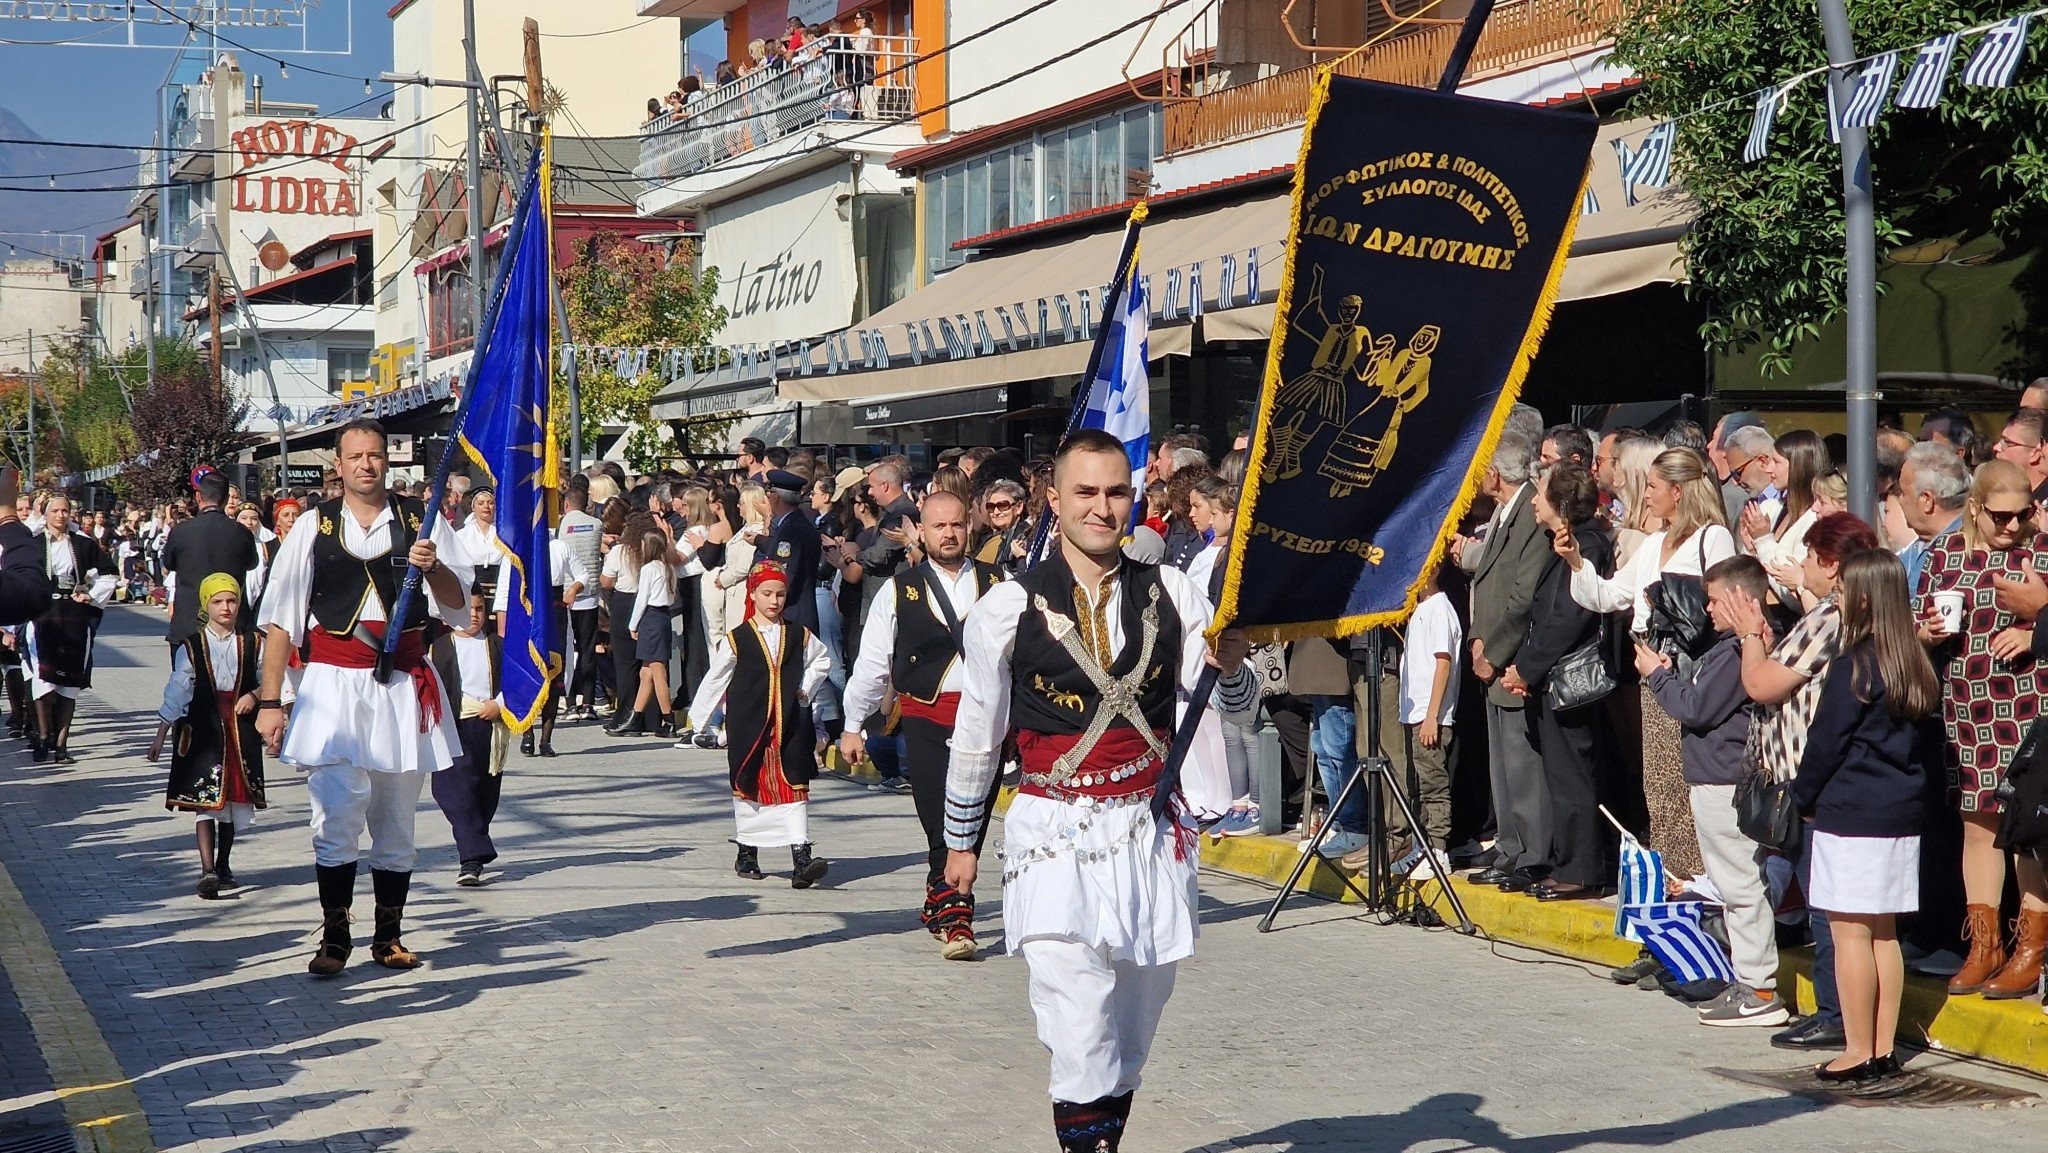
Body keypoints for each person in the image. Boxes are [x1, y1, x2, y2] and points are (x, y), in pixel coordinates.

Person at [942, 429, 1256, 1153]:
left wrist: (1231, 662)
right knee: (1076, 1013)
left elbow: (1232, 706)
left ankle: (1101, 1136)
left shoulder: (1174, 591)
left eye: (1116, 491)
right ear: (1054, 498)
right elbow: (978, 737)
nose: (1102, 506)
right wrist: (960, 844)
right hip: (1051, 833)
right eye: (1085, 491)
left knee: (1132, 1023)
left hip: (1146, 833)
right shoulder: (1004, 610)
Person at [253, 419, 472, 978]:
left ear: (387, 463)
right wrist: (271, 700)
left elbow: (459, 607)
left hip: (401, 686)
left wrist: (435, 566)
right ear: (339, 463)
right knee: (335, 810)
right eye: (356, 457)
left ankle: (389, 936)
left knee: (397, 815)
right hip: (332, 686)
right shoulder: (311, 526)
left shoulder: (421, 521)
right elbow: (282, 620)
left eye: (375, 456)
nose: (366, 465)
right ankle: (334, 935)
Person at [1722, 511, 1881, 1051]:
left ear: (1831, 565)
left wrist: (1749, 636)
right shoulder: (1852, 616)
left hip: (1804, 777)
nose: (1803, 565)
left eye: (1810, 555)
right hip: (1826, 778)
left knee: (1824, 906)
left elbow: (1762, 684)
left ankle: (1836, 1014)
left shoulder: (1829, 621)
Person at [1561, 448, 1738, 883]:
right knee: (1659, 788)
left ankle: (1699, 891)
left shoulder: (1712, 538)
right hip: (1650, 676)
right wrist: (1574, 562)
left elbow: (1721, 609)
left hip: (1691, 675)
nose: (1647, 498)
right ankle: (1672, 890)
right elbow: (1609, 596)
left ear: (1678, 492)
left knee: (1688, 789)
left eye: (1655, 488)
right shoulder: (1655, 543)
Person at [839, 491, 1002, 959]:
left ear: (968, 528)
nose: (948, 534)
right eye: (938, 527)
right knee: (939, 821)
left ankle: (940, 896)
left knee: (975, 819)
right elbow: (872, 663)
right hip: (927, 717)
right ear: (922, 532)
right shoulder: (899, 589)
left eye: (956, 525)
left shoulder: (1000, 582)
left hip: (985, 721)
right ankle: (957, 916)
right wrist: (853, 724)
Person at [1795, 548, 1937, 1082]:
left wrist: (1803, 797)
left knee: (1849, 932)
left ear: (1861, 596)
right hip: (1900, 811)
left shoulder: (1855, 663)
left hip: (1852, 810)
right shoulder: (1912, 661)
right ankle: (1881, 1046)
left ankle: (1857, 1049)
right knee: (1884, 934)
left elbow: (1825, 743)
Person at [1917, 459, 2048, 999]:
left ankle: (2031, 948)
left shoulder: (2041, 551)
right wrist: (1925, 630)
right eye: (2001, 516)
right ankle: (1984, 944)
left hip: (2028, 704)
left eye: (2023, 514)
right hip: (1967, 705)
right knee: (1980, 827)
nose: (2013, 526)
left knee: (2028, 830)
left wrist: (2034, 626)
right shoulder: (1946, 553)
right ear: (1975, 507)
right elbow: (1917, 617)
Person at [1649, 556, 1784, 1027]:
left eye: (1712, 599)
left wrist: (1655, 674)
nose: (1705, 609)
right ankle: (1750, 979)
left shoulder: (1740, 651)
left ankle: (1760, 988)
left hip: (1725, 780)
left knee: (1741, 887)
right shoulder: (1729, 648)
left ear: (1738, 598)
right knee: (1734, 885)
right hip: (1712, 778)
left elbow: (1697, 708)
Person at [1502, 463, 1616, 900]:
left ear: (1562, 506)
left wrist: (1525, 667)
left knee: (1574, 777)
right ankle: (1570, 862)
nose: (1534, 500)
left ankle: (1582, 871)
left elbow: (1566, 618)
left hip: (1570, 680)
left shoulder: (1586, 547)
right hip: (1551, 678)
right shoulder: (1563, 546)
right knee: (1561, 774)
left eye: (1541, 493)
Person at [689, 562, 833, 888]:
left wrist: (805, 689)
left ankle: (801, 856)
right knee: (749, 782)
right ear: (753, 593)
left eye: (780, 594)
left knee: (794, 783)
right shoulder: (738, 638)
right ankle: (747, 851)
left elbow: (822, 660)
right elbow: (717, 678)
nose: (774, 601)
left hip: (789, 725)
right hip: (749, 724)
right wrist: (699, 720)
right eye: (767, 593)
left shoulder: (798, 634)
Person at [1464, 431, 1553, 892]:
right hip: (1490, 653)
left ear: (1495, 472)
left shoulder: (1530, 517)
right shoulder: (1503, 511)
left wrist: (1494, 652)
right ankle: (1511, 845)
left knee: (1522, 761)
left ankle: (1533, 854)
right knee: (1502, 761)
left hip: (1514, 660)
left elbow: (1522, 598)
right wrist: (1478, 640)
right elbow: (1489, 587)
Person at [151, 573, 266, 900]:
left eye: (231, 601)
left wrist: (255, 697)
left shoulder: (253, 642)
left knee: (230, 799)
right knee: (205, 800)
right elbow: (178, 688)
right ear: (206, 605)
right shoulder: (192, 645)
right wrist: (161, 734)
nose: (225, 608)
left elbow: (271, 680)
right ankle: (207, 870)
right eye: (217, 601)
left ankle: (224, 863)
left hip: (239, 727)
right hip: (204, 726)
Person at [24, 494, 117, 765]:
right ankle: (43, 737)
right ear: (46, 514)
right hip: (43, 617)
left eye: (65, 511)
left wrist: (90, 593)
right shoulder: (34, 544)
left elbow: (109, 573)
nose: (61, 515)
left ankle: (62, 744)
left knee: (69, 684)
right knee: (44, 680)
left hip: (74, 617)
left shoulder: (82, 544)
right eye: (56, 511)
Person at [1381, 555, 1460, 871]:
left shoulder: (1439, 609)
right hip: (1412, 714)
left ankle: (1438, 851)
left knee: (1432, 784)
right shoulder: (1420, 611)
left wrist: (1432, 716)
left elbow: (1444, 662)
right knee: (1414, 783)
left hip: (1430, 716)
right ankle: (1421, 846)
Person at [433, 580, 504, 887]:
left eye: (479, 609)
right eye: (466, 609)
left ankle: (474, 846)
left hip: (488, 725)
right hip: (452, 725)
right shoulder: (439, 647)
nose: (473, 616)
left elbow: (516, 683)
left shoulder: (497, 644)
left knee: (484, 793)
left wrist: (499, 706)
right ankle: (472, 857)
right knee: (453, 791)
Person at [163, 470, 258, 647]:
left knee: (185, 675)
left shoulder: (181, 531)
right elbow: (252, 563)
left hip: (189, 622)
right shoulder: (241, 532)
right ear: (225, 499)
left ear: (199, 497)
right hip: (231, 623)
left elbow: (169, 564)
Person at [616, 528, 679, 739]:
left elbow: (642, 598)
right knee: (646, 673)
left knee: (658, 671)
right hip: (663, 616)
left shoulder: (650, 568)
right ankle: (635, 717)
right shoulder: (668, 567)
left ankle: (668, 719)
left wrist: (632, 625)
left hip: (651, 617)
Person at [558, 482, 605, 720]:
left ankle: (568, 701)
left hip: (566, 593)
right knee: (588, 650)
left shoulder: (561, 526)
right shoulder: (597, 525)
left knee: (568, 649)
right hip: (590, 595)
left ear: (566, 504)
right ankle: (588, 702)